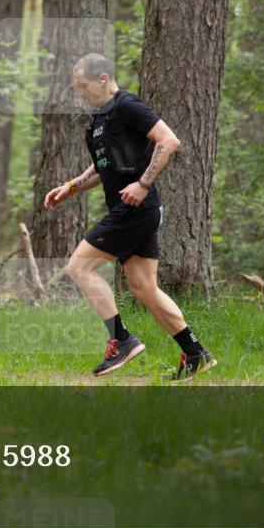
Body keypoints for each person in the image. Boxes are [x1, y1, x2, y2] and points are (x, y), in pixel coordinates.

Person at [43, 53, 216, 381]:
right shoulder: (100, 120)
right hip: (137, 210)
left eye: (83, 86)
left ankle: (121, 340)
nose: (80, 93)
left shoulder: (126, 106)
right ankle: (195, 354)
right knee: (144, 288)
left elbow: (169, 141)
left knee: (79, 267)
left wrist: (142, 183)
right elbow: (104, 165)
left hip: (136, 208)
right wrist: (72, 187)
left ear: (103, 79)